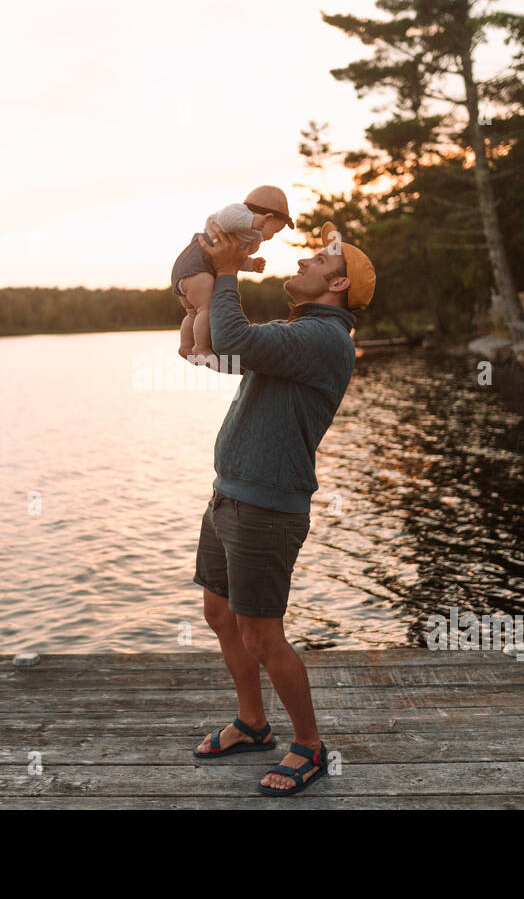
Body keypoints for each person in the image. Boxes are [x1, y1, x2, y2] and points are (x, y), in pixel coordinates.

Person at [185, 219, 376, 796]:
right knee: (221, 617)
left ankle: (311, 748)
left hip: (266, 509)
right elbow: (227, 347)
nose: (302, 263)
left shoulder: (322, 340)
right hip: (229, 495)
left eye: (317, 261)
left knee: (263, 636)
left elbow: (238, 337)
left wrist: (224, 273)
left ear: (338, 283)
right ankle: (252, 724)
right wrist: (199, 311)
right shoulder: (300, 332)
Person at [171, 185, 295, 366]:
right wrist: (252, 220)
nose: (272, 236)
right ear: (267, 217)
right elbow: (225, 219)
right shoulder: (239, 212)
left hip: (189, 269)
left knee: (193, 312)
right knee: (206, 307)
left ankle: (186, 346)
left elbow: (232, 258)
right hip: (196, 264)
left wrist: (251, 265)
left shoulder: (246, 235)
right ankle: (202, 348)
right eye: (275, 231)